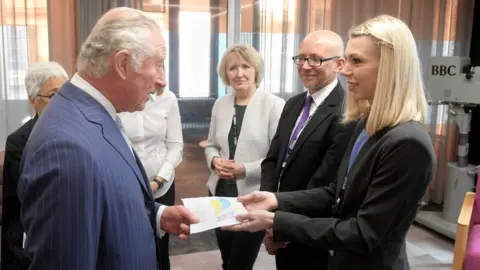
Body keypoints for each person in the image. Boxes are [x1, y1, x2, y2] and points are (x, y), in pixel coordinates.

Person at [225, 14, 436, 270]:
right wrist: (276, 200)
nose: (345, 70)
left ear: (391, 67)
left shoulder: (407, 144)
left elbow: (363, 233)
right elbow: (334, 192)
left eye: (356, 61)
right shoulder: (367, 125)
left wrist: (277, 223)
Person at [17, 7, 198, 270]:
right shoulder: (67, 148)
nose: (162, 80)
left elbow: (108, 198)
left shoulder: (95, 115)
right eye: (157, 64)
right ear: (123, 63)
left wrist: (156, 215)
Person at [260, 30, 356, 270]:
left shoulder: (346, 113)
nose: (304, 66)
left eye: (315, 59)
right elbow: (272, 160)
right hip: (280, 216)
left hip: (312, 228)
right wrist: (269, 211)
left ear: (339, 64)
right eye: (300, 58)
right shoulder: (293, 104)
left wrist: (285, 225)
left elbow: (326, 180)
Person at [205, 43, 285, 270]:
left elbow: (276, 156)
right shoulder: (220, 105)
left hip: (253, 197)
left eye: (245, 66)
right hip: (219, 194)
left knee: (240, 263)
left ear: (256, 70)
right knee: (226, 258)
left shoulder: (274, 105)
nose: (239, 74)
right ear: (225, 73)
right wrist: (214, 160)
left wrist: (245, 169)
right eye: (232, 68)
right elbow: (211, 145)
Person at [1, 62, 68, 270]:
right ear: (33, 100)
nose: (63, 102)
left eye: (67, 94)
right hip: (29, 236)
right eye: (54, 95)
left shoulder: (78, 132)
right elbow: (36, 196)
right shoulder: (20, 141)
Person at [118, 86, 183, 270]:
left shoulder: (168, 99)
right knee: (129, 242)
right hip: (126, 187)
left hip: (162, 185)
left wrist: (158, 181)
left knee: (160, 246)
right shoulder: (118, 99)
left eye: (160, 66)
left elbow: (175, 146)